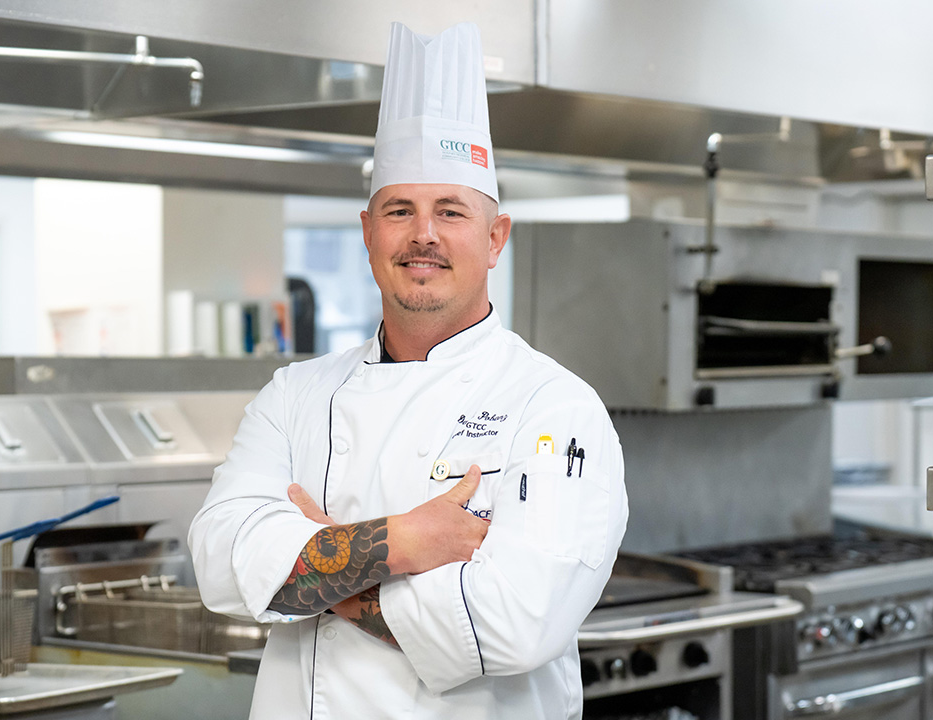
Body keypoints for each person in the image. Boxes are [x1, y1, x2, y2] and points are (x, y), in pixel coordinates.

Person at [189, 21, 628, 720]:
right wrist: (408, 541)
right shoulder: (295, 395)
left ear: (495, 239)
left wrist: (317, 566)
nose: (424, 234)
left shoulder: (554, 408)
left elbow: (513, 626)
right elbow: (219, 565)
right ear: (369, 233)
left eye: (450, 211)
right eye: (400, 210)